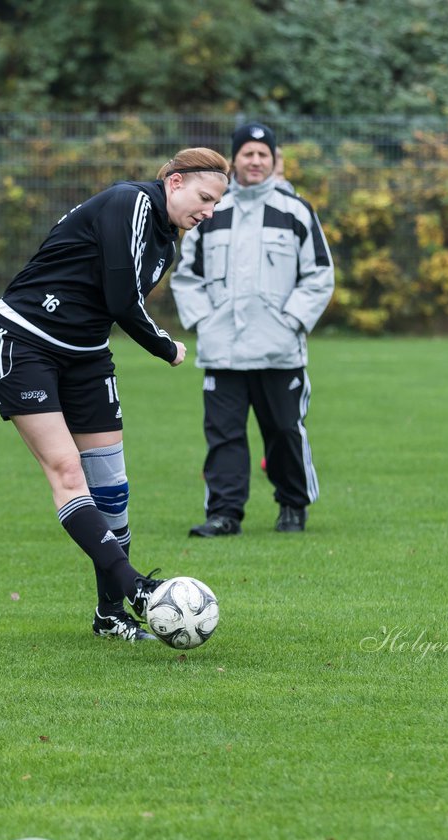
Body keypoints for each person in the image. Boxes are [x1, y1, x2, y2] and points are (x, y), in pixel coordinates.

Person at [0, 147, 231, 641]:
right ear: (176, 182)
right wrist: (166, 346)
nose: (207, 211)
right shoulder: (130, 203)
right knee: (67, 471)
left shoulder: (166, 241)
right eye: (204, 198)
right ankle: (138, 590)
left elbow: (113, 301)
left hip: (87, 358)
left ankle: (108, 615)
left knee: (113, 494)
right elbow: (123, 300)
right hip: (26, 343)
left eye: (215, 205)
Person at [170, 122, 335, 536]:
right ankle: (224, 514)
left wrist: (290, 322)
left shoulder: (296, 210)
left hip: (279, 349)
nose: (256, 161)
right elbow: (186, 276)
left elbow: (319, 275)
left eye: (264, 154)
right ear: (235, 160)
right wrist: (205, 321)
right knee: (223, 436)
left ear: (274, 160)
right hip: (221, 348)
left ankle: (292, 507)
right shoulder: (210, 210)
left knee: (283, 431)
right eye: (248, 153)